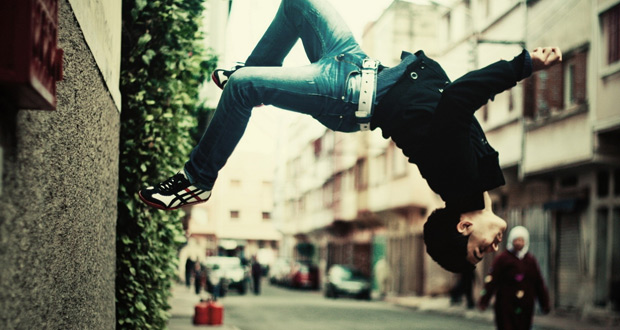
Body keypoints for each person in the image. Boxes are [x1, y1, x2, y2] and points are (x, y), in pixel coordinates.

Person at [138, 0, 562, 272]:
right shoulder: (477, 178)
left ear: (464, 226)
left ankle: (197, 180)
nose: (492, 249)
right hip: (360, 66)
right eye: (483, 253)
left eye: (478, 250)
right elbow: (449, 104)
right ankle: (252, 74)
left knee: (242, 89)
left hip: (346, 94)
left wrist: (522, 66)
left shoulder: (460, 180)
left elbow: (455, 102)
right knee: (295, 5)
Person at [478, 226, 551, 330]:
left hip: (526, 305)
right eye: (516, 240)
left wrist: (545, 303)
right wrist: (484, 300)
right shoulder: (502, 259)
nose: (519, 243)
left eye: (521, 240)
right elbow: (491, 280)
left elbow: (539, 283)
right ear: (511, 241)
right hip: (506, 305)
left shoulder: (530, 260)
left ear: (526, 242)